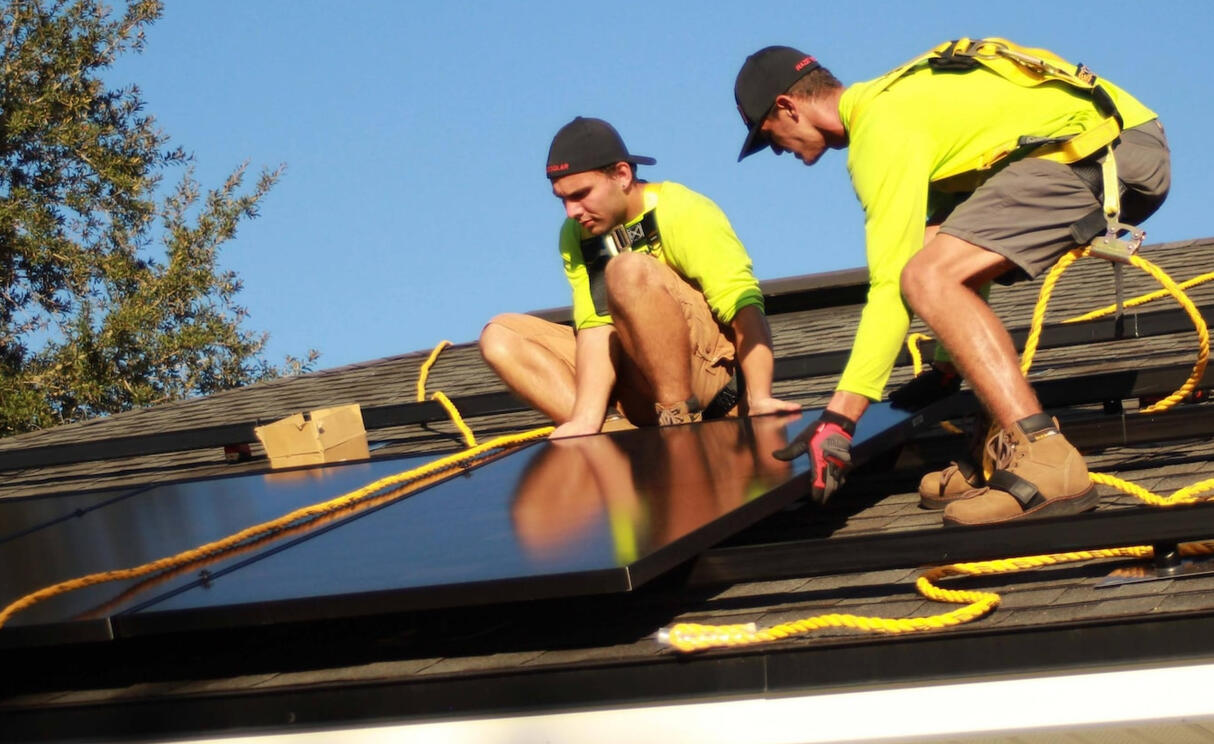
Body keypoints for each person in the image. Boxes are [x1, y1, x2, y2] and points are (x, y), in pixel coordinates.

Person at [732, 39, 1170, 525]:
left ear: (788, 106)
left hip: (1102, 150)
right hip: (1112, 142)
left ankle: (1046, 458)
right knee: (932, 255)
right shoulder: (900, 103)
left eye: (769, 137)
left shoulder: (881, 127)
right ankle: (997, 447)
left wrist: (839, 418)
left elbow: (893, 284)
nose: (778, 151)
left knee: (923, 275)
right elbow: (958, 232)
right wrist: (945, 368)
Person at [480, 116, 798, 438]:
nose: (571, 211)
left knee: (626, 270)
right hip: (639, 392)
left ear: (622, 175)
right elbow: (594, 327)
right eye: (563, 199)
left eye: (581, 194)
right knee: (500, 337)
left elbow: (742, 305)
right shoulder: (576, 235)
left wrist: (760, 397)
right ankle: (611, 436)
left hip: (711, 383)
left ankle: (679, 419)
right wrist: (585, 419)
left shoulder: (679, 208)